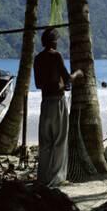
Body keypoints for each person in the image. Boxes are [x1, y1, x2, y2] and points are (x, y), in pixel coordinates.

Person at [33, 28, 83, 187]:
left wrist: (58, 82)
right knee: (60, 140)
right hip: (58, 102)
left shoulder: (38, 59)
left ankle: (43, 177)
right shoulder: (56, 56)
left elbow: (39, 84)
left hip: (45, 103)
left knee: (46, 142)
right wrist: (78, 74)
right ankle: (57, 178)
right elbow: (68, 78)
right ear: (53, 42)